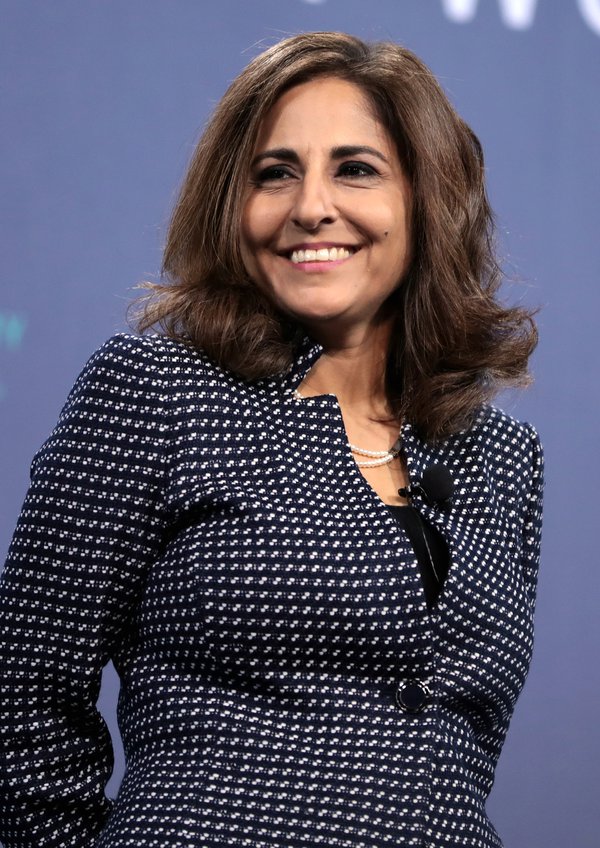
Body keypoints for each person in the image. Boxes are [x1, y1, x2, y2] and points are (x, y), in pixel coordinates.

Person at [0, 31, 543, 848]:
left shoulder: (502, 457)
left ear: (430, 198)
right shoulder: (154, 395)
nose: (310, 207)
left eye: (355, 169)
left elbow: (465, 745)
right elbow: (21, 699)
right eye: (274, 173)